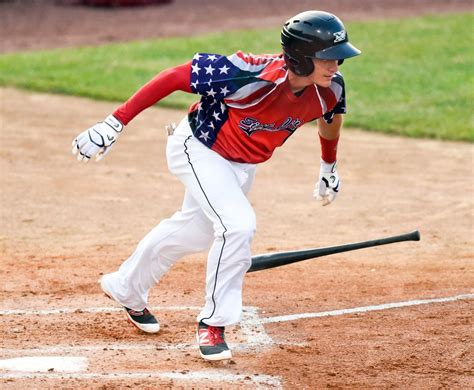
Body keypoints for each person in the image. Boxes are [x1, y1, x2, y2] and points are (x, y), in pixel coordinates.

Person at [72, 10, 361, 361]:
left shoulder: (330, 89)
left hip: (241, 166)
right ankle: (213, 323)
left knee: (196, 233)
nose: (336, 65)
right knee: (237, 225)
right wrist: (114, 123)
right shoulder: (247, 73)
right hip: (197, 148)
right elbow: (174, 77)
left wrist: (328, 165)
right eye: (328, 57)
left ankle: (125, 287)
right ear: (301, 57)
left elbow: (331, 119)